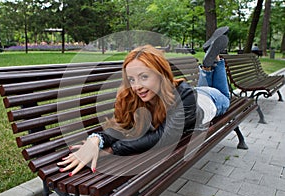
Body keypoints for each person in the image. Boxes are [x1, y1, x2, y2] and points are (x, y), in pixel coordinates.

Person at [58, 30, 230, 176]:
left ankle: (216, 59)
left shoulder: (184, 94)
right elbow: (122, 126)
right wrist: (95, 140)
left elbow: (164, 136)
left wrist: (111, 150)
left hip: (210, 101)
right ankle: (209, 63)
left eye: (144, 77)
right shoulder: (135, 96)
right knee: (202, 87)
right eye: (132, 79)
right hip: (194, 95)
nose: (137, 86)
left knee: (224, 94)